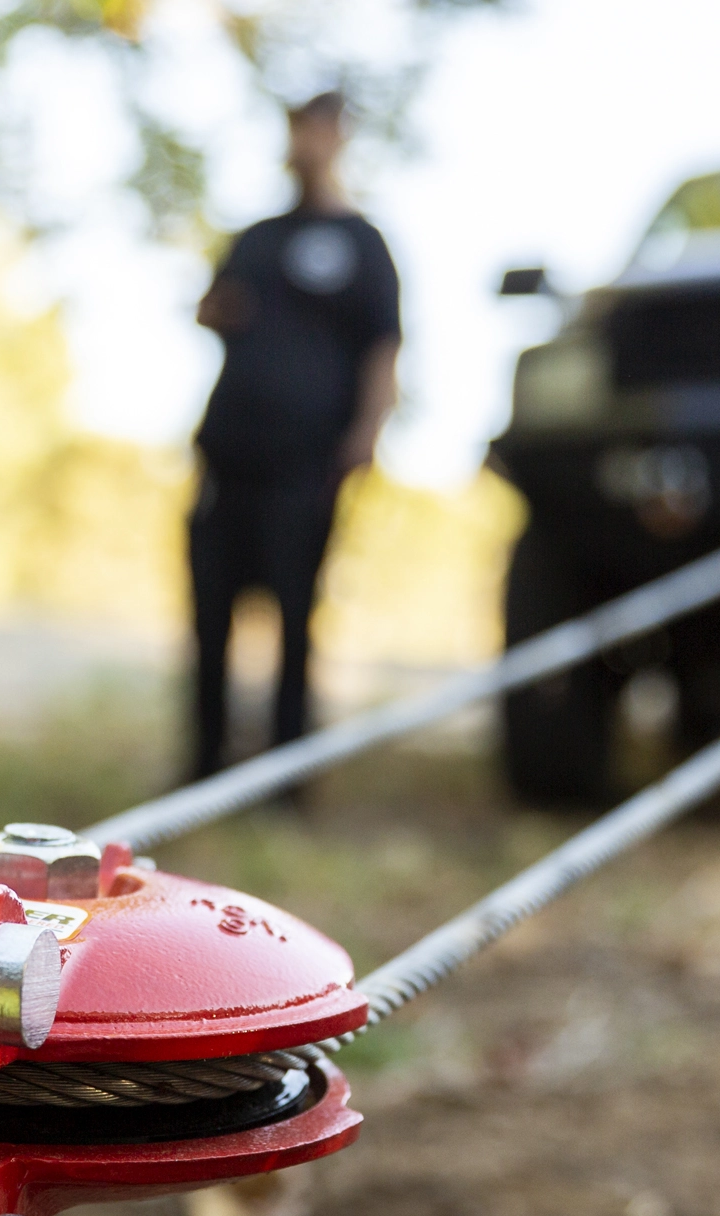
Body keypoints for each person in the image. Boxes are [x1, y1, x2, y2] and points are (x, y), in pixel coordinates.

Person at [187, 91, 401, 781]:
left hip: (305, 466)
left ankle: (283, 777)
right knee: (210, 617)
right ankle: (204, 762)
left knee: (295, 618)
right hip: (229, 455)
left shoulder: (365, 245)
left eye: (315, 126)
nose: (302, 140)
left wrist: (366, 435)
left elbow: (383, 347)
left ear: (338, 134)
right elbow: (210, 309)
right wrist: (221, 312)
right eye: (294, 127)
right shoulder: (257, 238)